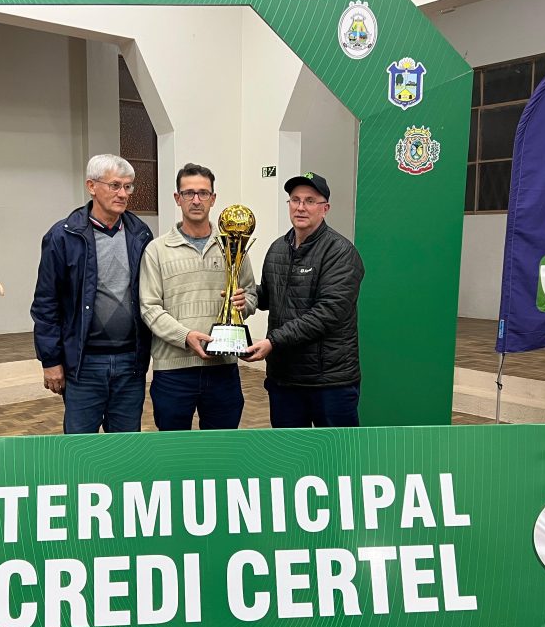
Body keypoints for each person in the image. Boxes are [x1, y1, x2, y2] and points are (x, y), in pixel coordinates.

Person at [31, 154, 153, 434]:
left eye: (128, 187)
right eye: (115, 185)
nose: (123, 194)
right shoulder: (63, 236)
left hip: (130, 363)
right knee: (81, 448)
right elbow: (46, 303)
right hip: (84, 363)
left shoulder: (140, 234)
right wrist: (51, 360)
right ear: (91, 186)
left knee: (125, 446)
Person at [139, 163, 257, 430]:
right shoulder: (157, 250)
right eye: (188, 193)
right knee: (174, 448)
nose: (196, 200)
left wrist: (244, 304)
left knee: (220, 447)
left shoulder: (233, 245)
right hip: (173, 371)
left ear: (213, 199)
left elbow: (251, 294)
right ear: (177, 198)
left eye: (203, 193)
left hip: (223, 367)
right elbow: (149, 308)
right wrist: (186, 336)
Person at [245, 171, 365, 427]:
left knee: (335, 452)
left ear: (325, 208)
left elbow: (327, 313)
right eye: (295, 200)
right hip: (284, 380)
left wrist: (273, 342)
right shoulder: (278, 248)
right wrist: (245, 297)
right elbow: (270, 294)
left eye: (310, 201)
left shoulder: (341, 252)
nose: (301, 207)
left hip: (329, 383)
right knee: (289, 452)